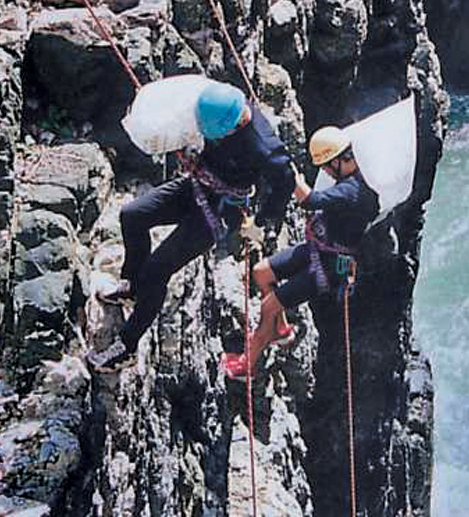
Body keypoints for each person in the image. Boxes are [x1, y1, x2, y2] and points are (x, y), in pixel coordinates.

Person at [86, 81, 294, 373]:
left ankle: (127, 347)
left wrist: (262, 222)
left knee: (157, 270)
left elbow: (285, 182)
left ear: (234, 126)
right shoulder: (222, 104)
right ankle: (132, 286)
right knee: (133, 215)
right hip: (198, 184)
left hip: (221, 209)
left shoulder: (263, 147)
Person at [221, 124, 379, 380]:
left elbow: (310, 200)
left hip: (330, 267)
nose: (325, 171)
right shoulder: (350, 180)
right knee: (261, 272)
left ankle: (247, 364)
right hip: (319, 251)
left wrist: (289, 173)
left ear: (339, 160)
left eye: (326, 166)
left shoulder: (353, 190)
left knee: (269, 306)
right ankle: (281, 330)